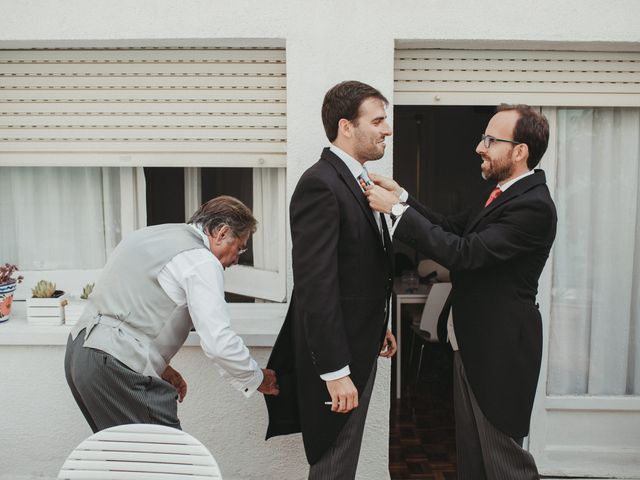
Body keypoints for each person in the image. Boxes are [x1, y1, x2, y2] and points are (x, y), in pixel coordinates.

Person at [364, 104, 557, 479]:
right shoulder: (501, 194)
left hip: (500, 348)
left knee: (504, 463)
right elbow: (450, 227)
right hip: (471, 340)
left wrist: (398, 214)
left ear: (520, 151)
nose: (479, 147)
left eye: (490, 140)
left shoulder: (533, 206)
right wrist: (401, 199)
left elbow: (465, 253)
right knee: (473, 459)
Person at [265, 80, 397, 479]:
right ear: (346, 126)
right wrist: (335, 372)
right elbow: (315, 285)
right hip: (339, 357)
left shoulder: (362, 182)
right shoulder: (320, 184)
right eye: (377, 121)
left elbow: (359, 267)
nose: (387, 129)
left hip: (363, 343)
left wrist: (381, 324)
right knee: (333, 463)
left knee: (343, 459)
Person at [64, 195, 279, 433]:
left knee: (126, 459)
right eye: (239, 247)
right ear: (221, 233)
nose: (237, 259)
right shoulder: (201, 261)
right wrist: (256, 378)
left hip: (80, 354)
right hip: (115, 367)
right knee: (170, 459)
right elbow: (218, 341)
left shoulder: (148, 235)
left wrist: (160, 366)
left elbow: (127, 309)